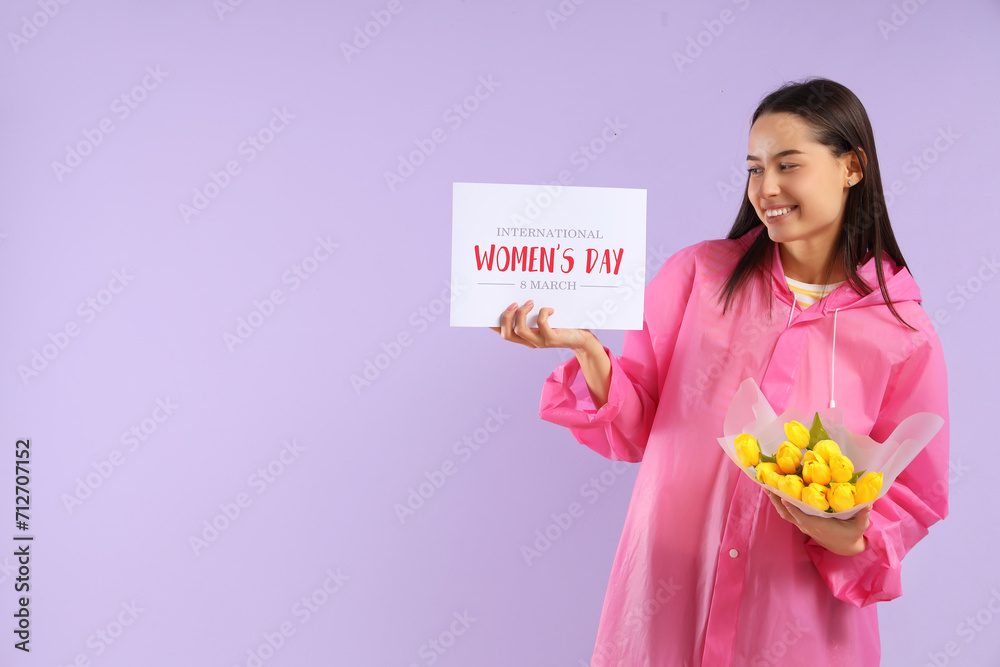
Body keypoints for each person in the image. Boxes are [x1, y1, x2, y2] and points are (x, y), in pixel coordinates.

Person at [493, 78, 949, 666]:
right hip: (667, 597)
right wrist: (587, 350)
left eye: (789, 165)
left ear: (852, 167)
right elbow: (637, 424)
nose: (767, 188)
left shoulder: (903, 333)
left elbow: (913, 495)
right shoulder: (699, 277)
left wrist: (853, 536)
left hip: (794, 620)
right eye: (755, 169)